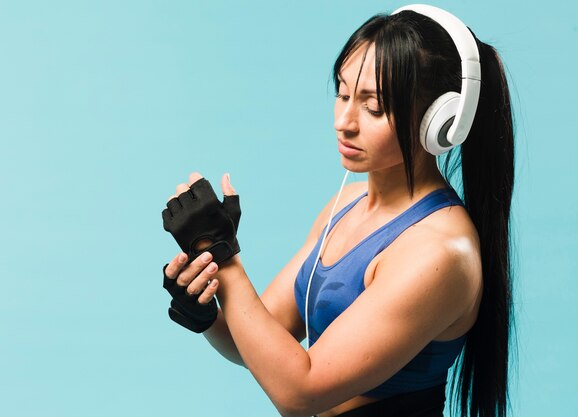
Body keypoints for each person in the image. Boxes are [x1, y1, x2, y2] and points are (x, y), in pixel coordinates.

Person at [161, 5, 514, 417]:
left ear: (439, 122)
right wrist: (206, 303)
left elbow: (299, 392)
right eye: (343, 94)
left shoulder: (439, 252)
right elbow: (257, 345)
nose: (344, 122)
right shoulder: (345, 205)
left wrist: (226, 256)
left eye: (374, 107)